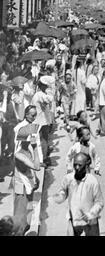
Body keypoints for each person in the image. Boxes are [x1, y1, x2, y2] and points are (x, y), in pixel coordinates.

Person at [50, 153, 104, 236]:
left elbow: (99, 202)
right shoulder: (68, 179)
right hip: (74, 219)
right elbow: (63, 192)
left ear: (86, 166)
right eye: (75, 164)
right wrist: (59, 197)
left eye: (80, 165)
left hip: (90, 222)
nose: (77, 167)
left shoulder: (92, 181)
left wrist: (90, 214)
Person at [13, 105, 41, 236]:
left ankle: (23, 225)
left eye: (35, 114)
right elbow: (20, 155)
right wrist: (34, 148)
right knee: (20, 202)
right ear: (26, 114)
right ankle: (18, 229)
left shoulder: (27, 145)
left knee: (26, 201)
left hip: (27, 171)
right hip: (20, 173)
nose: (33, 117)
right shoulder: (20, 129)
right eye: (31, 114)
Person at [32, 76, 54, 166]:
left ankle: (42, 158)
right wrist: (50, 92)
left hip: (41, 121)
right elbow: (49, 99)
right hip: (41, 121)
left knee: (42, 140)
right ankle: (42, 159)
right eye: (45, 86)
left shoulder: (39, 94)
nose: (47, 87)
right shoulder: (40, 94)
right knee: (43, 140)